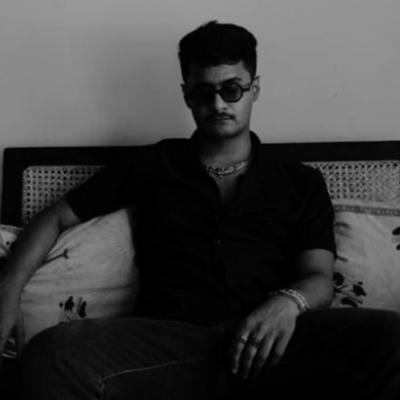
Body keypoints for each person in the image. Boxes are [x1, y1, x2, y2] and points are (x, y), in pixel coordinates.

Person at [1, 20, 400, 400]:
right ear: (186, 95)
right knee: (52, 355)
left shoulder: (300, 181)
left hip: (276, 343)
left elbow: (318, 277)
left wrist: (286, 304)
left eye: (232, 89)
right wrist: (7, 294)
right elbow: (55, 217)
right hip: (169, 349)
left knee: (392, 339)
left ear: (255, 89)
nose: (217, 104)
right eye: (202, 92)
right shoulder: (154, 164)